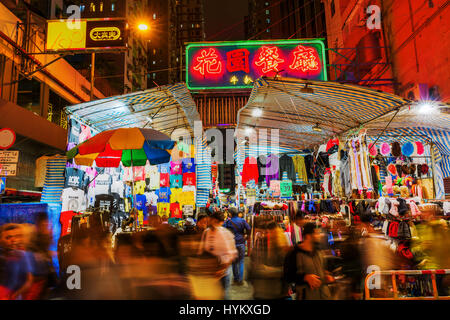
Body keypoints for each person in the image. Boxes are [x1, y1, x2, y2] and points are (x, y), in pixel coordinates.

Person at [198, 211, 237, 299]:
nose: (213, 223)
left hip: (222, 274)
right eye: (212, 221)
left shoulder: (226, 234)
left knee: (223, 296)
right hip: (209, 274)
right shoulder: (206, 232)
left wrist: (221, 270)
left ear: (221, 222)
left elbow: (231, 254)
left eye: (216, 222)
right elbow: (201, 250)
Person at [249, 221, 290, 299]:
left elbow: (287, 270)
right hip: (261, 291)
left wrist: (268, 270)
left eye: (273, 232)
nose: (270, 235)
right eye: (268, 232)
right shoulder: (260, 242)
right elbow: (252, 265)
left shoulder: (283, 247)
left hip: (276, 291)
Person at [295, 222, 334, 300]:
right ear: (308, 236)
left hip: (323, 295)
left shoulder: (318, 251)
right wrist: (305, 277)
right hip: (307, 296)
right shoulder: (296, 253)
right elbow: (288, 275)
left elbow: (320, 270)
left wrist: (325, 276)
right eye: (316, 233)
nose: (319, 236)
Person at [0, 224, 33, 300]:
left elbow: (29, 281)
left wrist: (15, 295)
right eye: (8, 237)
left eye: (16, 236)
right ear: (1, 240)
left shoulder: (23, 255)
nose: (13, 240)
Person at [223, 207, 251, 285]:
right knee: (241, 261)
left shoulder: (228, 221)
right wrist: (247, 236)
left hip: (232, 243)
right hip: (241, 242)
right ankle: (240, 279)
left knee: (234, 262)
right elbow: (249, 228)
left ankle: (236, 279)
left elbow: (223, 229)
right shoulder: (242, 220)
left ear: (230, 213)